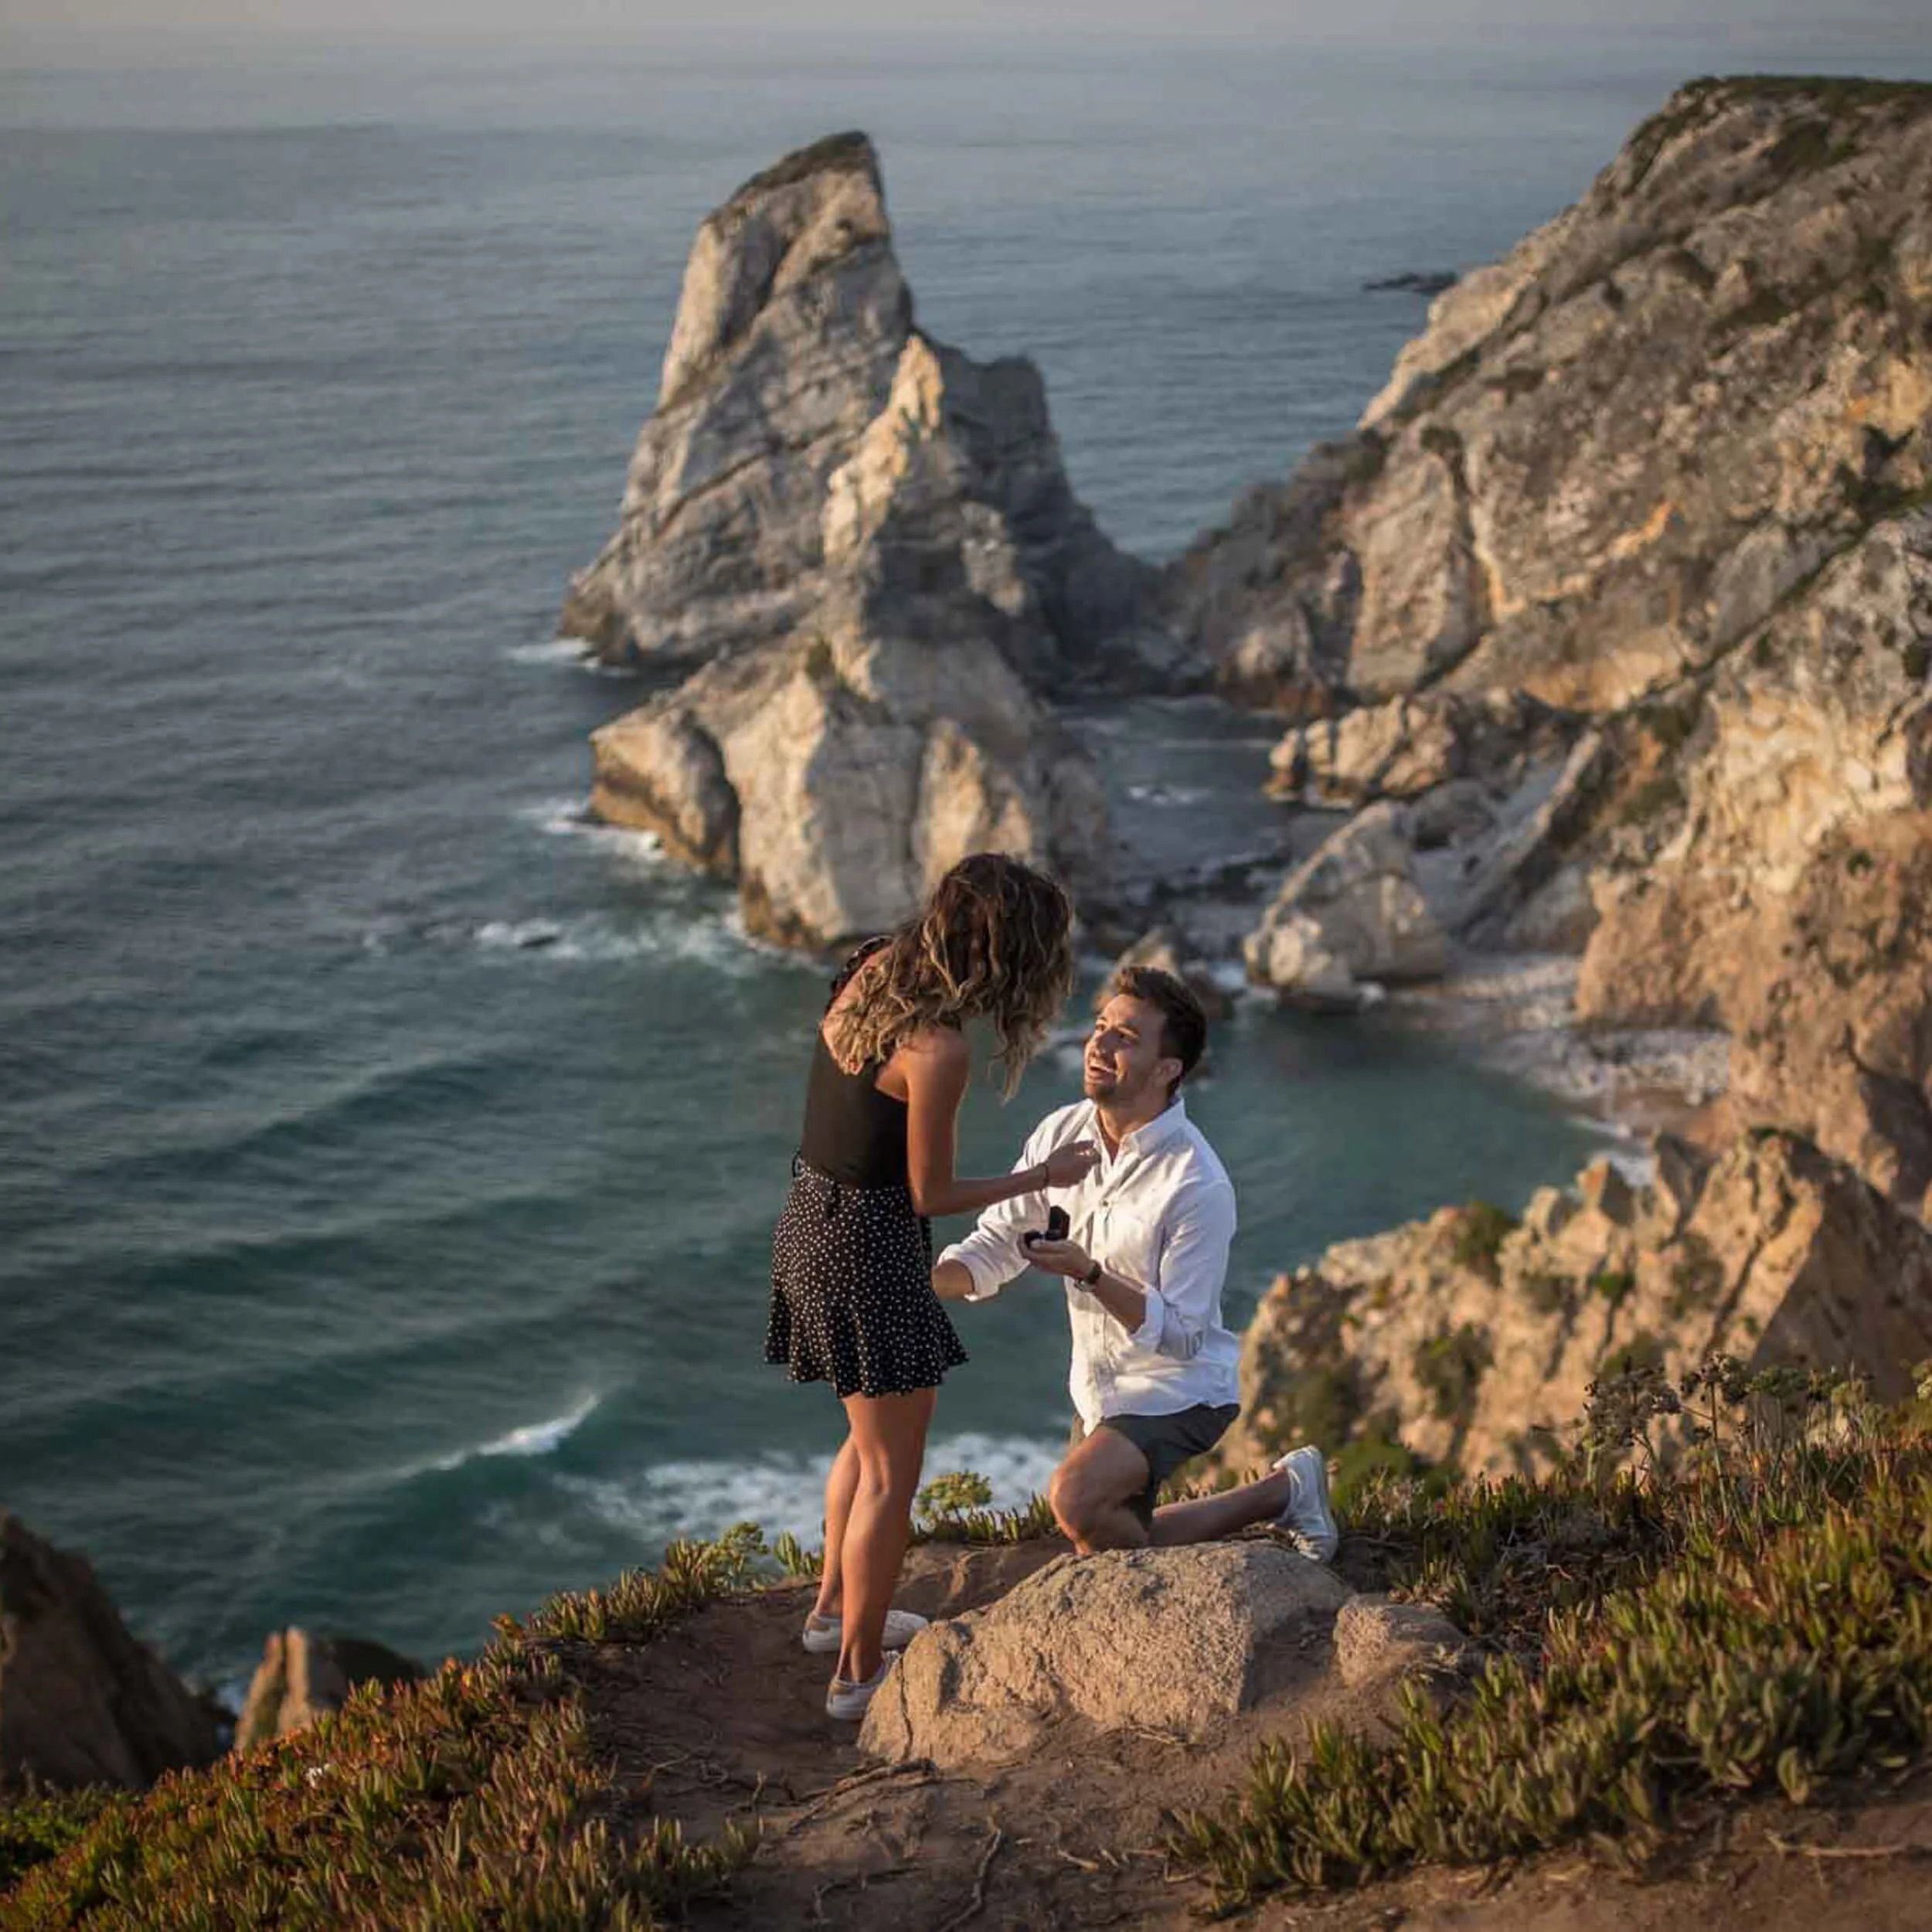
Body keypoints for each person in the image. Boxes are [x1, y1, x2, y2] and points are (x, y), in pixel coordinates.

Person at [765, 853, 1100, 1721]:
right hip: (869, 1248)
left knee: (863, 1440)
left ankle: (832, 1609)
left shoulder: (870, 967)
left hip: (808, 1221)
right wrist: (1040, 1171)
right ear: (1002, 951)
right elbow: (931, 1194)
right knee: (891, 1473)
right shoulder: (938, 1048)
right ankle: (855, 1672)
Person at [934, 964, 1338, 1560]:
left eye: (1126, 1037)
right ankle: (1285, 1492)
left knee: (1074, 1500)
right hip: (1097, 1393)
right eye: (1101, 1027)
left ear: (1168, 1069)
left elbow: (1181, 1337)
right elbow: (999, 1240)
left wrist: (1089, 1274)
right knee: (1105, 1547)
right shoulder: (1060, 1133)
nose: (1099, 1044)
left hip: (1177, 1390)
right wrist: (920, 1284)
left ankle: (1280, 1498)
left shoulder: (1197, 1182)